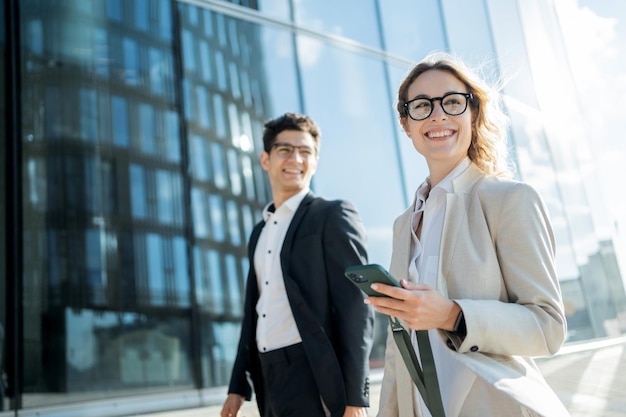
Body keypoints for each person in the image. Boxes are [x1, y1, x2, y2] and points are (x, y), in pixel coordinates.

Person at [366, 52, 570, 416]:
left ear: (473, 114)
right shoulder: (403, 225)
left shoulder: (510, 200)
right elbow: (399, 349)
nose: (438, 114)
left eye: (452, 102)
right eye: (422, 106)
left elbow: (547, 327)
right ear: (406, 123)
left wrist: (450, 315)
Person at [220, 112, 374, 417]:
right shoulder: (259, 232)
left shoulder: (332, 215)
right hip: (268, 376)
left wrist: (356, 398)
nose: (296, 159)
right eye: (285, 150)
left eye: (306, 152)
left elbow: (356, 305)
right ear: (266, 159)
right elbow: (254, 309)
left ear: (315, 162)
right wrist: (237, 386)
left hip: (312, 373)